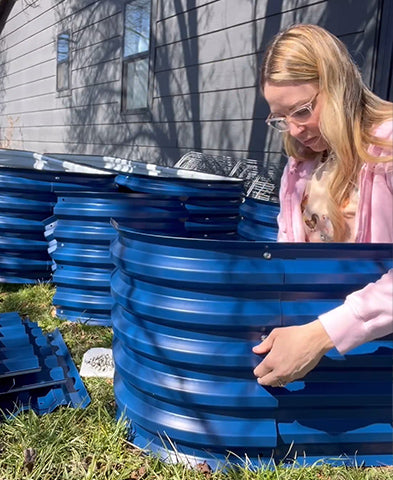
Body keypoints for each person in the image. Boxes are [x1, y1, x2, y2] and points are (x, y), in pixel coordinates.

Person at [252, 24, 393, 388]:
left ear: (338, 85)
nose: (295, 130)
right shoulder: (300, 168)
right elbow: (290, 260)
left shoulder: (387, 151)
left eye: (301, 111)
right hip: (324, 357)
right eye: (281, 119)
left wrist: (320, 335)